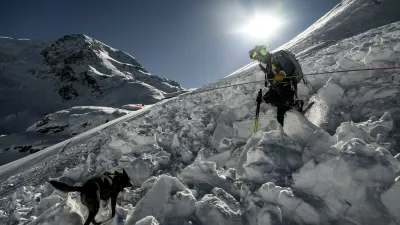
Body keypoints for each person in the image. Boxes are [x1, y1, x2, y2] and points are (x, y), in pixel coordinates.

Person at [249, 45, 304, 126]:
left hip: (287, 84)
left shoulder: (277, 56)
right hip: (279, 88)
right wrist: (263, 99)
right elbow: (273, 83)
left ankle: (294, 106)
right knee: (270, 100)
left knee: (282, 117)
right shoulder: (268, 67)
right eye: (257, 59)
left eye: (259, 58)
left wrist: (282, 73)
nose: (259, 60)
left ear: (263, 53)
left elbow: (289, 65)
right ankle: (292, 106)